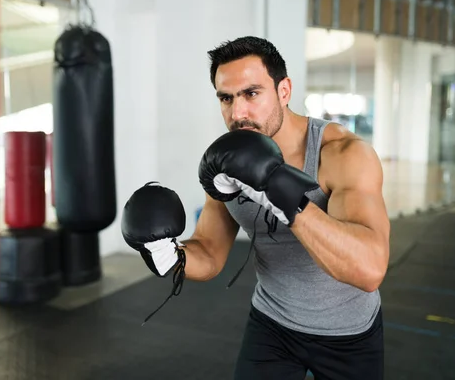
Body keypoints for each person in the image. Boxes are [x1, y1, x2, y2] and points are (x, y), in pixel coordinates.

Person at [121, 36, 390, 380]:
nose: (238, 113)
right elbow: (211, 252)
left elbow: (369, 270)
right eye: (226, 98)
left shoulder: (342, 154)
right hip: (272, 323)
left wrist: (285, 195)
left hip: (349, 333)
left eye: (251, 94)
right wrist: (172, 256)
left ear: (284, 91)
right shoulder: (226, 160)